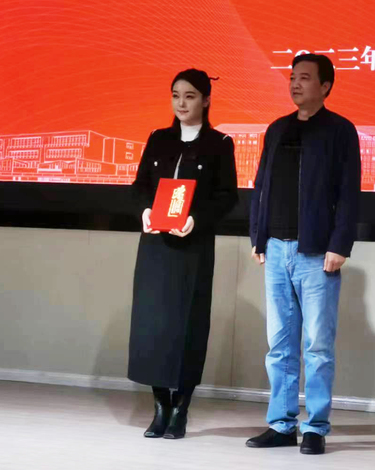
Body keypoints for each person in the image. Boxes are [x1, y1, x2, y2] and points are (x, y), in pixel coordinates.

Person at [246, 53, 361, 455]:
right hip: (276, 249)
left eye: (305, 78)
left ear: (326, 86)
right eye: (292, 77)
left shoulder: (340, 130)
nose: (295, 84)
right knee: (279, 344)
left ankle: (315, 426)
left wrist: (340, 244)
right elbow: (261, 185)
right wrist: (257, 236)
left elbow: (349, 192)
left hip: (317, 252)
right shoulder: (277, 129)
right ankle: (281, 424)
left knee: (317, 346)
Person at [127, 69, 238, 439]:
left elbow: (227, 197)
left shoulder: (220, 143)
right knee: (153, 325)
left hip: (193, 246)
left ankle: (181, 409)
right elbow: (140, 186)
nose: (181, 103)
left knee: (189, 325)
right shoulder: (158, 139)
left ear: (206, 100)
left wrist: (195, 220)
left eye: (190, 96)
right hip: (156, 246)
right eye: (176, 95)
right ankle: (160, 406)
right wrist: (145, 210)